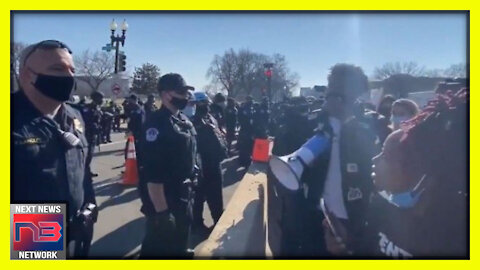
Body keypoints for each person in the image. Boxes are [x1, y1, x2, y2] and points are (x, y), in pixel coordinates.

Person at [325, 89, 468, 258]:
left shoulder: (454, 238)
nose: (375, 159)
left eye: (385, 155)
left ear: (421, 176)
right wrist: (345, 245)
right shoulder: (381, 207)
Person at [12, 40, 97, 258]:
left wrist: (90, 206)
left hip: (79, 231)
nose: (68, 77)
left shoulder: (75, 116)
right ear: (27, 75)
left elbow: (84, 168)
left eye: (71, 70)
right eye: (57, 69)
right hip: (32, 234)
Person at [138, 73, 197, 258]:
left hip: (184, 196)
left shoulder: (183, 120)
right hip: (166, 200)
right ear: (165, 95)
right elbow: (153, 175)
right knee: (158, 250)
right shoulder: (156, 124)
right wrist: (162, 213)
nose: (185, 97)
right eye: (180, 92)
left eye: (187, 92)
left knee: (178, 244)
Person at [192, 95, 228, 232]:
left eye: (207, 102)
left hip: (214, 162)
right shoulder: (193, 121)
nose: (206, 105)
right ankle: (197, 224)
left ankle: (218, 219)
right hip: (201, 163)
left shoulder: (211, 117)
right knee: (198, 196)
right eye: (202, 102)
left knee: (216, 194)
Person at [82, 91, 104, 178]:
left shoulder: (97, 108)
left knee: (90, 155)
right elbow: (87, 122)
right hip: (88, 135)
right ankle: (84, 172)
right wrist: (95, 127)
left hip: (94, 135)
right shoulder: (88, 108)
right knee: (86, 155)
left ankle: (87, 171)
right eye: (100, 98)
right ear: (95, 99)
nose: (102, 100)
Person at [237, 95, 256, 167]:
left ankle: (245, 159)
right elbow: (241, 118)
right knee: (245, 145)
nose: (250, 101)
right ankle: (243, 160)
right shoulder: (244, 108)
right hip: (245, 129)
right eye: (249, 100)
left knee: (249, 145)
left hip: (249, 129)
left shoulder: (251, 108)